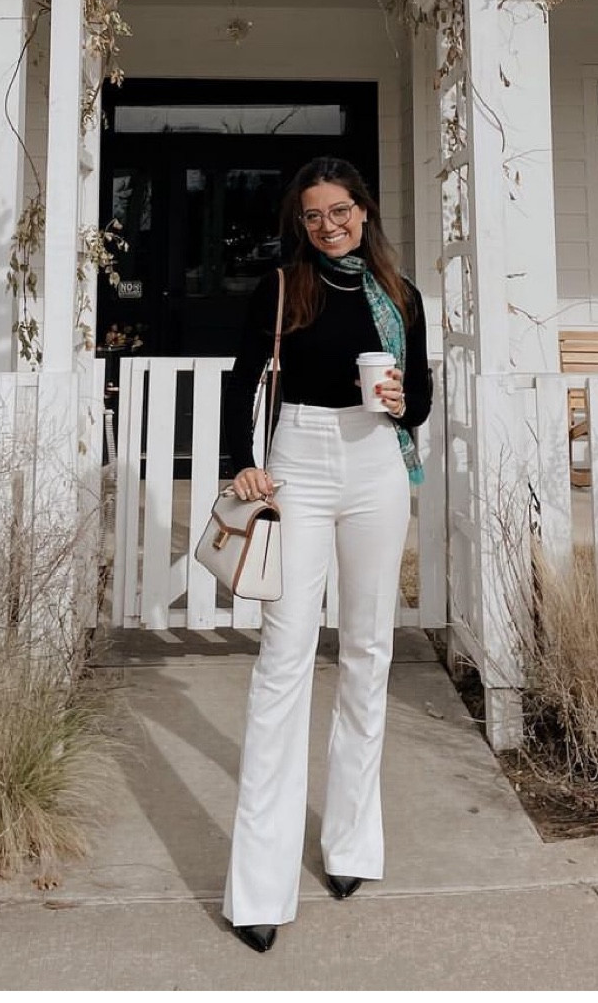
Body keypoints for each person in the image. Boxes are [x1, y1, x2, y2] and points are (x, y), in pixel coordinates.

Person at [221, 156, 432, 954]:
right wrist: (235, 462)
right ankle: (259, 886)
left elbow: (421, 390)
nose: (327, 224)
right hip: (299, 459)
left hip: (377, 461)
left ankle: (350, 844)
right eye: (312, 215)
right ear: (299, 222)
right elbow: (243, 381)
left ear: (362, 211)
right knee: (284, 656)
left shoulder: (400, 296)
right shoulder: (282, 288)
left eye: (339, 210)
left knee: (369, 649)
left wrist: (403, 400)